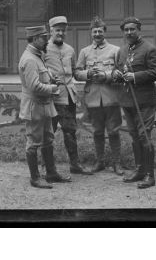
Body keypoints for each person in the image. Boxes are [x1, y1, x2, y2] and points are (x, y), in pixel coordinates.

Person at [112, 16, 156, 189]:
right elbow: (117, 68)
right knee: (134, 136)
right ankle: (139, 170)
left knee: (144, 136)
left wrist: (135, 77)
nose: (129, 32)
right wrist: (116, 75)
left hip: (144, 101)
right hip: (128, 101)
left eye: (132, 29)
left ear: (139, 29)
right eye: (126, 30)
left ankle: (150, 175)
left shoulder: (149, 49)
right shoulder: (122, 50)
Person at [18, 25, 71, 189]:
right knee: (33, 142)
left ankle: (51, 173)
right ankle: (35, 178)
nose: (47, 40)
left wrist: (51, 79)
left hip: (45, 106)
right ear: (35, 39)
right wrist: (54, 88)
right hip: (35, 107)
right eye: (44, 37)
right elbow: (34, 86)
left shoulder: (38, 56)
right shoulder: (29, 59)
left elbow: (42, 78)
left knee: (48, 139)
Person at [75, 16, 123, 175]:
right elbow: (76, 73)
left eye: (100, 31)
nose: (97, 34)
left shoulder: (115, 51)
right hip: (93, 99)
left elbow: (121, 72)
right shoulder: (84, 52)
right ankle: (100, 162)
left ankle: (117, 163)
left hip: (111, 97)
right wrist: (87, 73)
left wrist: (107, 76)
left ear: (105, 32)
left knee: (114, 131)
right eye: (94, 31)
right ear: (91, 33)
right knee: (97, 132)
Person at [45, 16, 91, 175]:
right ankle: (48, 167)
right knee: (48, 132)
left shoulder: (70, 50)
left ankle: (75, 165)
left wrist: (89, 74)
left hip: (68, 97)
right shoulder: (43, 48)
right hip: (51, 97)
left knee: (70, 131)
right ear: (50, 31)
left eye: (63, 30)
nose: (60, 33)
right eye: (57, 30)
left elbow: (75, 73)